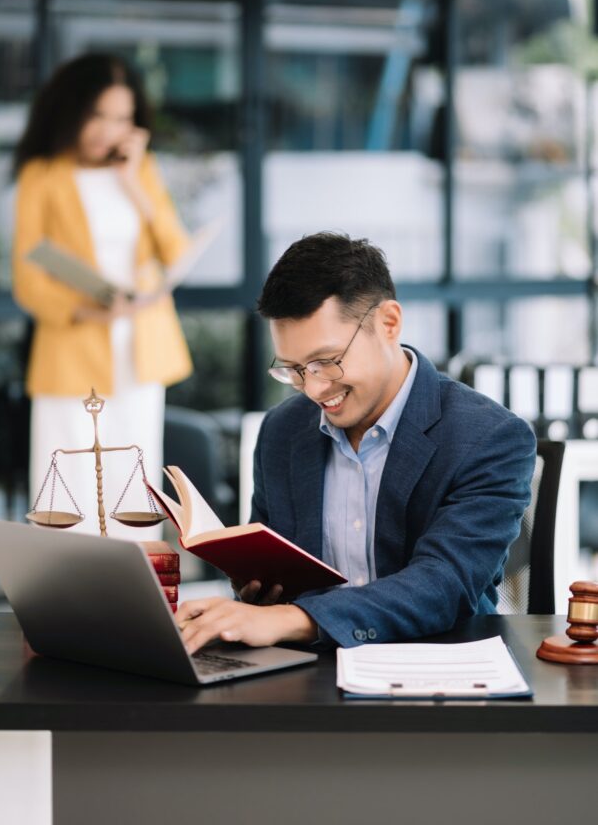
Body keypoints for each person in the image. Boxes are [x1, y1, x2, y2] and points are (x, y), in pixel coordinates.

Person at [176, 232, 536, 651]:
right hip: (310, 671)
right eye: (293, 369)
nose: (312, 389)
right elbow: (273, 585)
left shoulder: (489, 438)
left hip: (437, 673)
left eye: (325, 362)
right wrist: (255, 595)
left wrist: (296, 619)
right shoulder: (281, 431)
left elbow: (444, 586)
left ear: (388, 323)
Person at [12, 53, 192, 539]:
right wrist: (88, 307)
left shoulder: (140, 170)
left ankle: (135, 602)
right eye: (98, 115)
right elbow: (28, 280)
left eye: (121, 118)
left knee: (133, 488)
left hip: (140, 349)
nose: (108, 130)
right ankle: (64, 604)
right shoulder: (43, 175)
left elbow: (176, 251)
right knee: (66, 486)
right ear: (71, 110)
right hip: (71, 348)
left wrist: (134, 185)